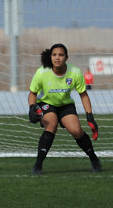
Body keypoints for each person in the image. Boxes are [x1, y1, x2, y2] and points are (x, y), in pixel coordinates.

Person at [27, 43, 101, 175]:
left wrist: (90, 116)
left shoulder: (75, 72)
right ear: (50, 57)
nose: (57, 58)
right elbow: (33, 93)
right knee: (51, 125)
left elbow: (83, 95)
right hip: (46, 104)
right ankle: (38, 164)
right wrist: (32, 108)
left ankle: (94, 158)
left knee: (76, 130)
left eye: (61, 55)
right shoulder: (42, 72)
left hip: (66, 105)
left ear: (66, 58)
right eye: (54, 55)